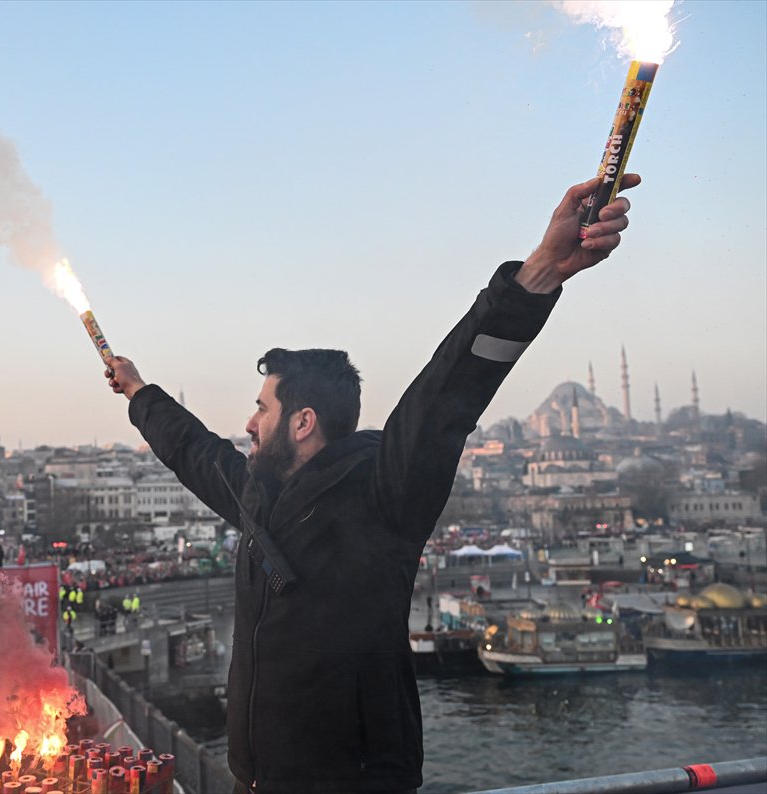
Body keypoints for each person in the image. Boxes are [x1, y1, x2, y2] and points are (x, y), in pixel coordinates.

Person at [103, 176, 639, 793]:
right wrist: (139, 392)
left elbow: (447, 395)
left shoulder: (384, 495)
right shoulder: (261, 498)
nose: (248, 425)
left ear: (303, 422)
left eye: (261, 409)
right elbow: (193, 451)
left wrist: (541, 271)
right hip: (257, 780)